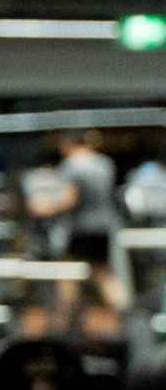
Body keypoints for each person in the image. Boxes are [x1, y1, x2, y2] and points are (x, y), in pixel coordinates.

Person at [29, 129, 127, 325]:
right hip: (104, 226)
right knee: (102, 272)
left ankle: (64, 322)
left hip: (81, 228)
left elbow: (70, 198)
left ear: (68, 144)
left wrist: (44, 208)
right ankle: (127, 312)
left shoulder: (72, 166)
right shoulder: (104, 164)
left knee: (69, 272)